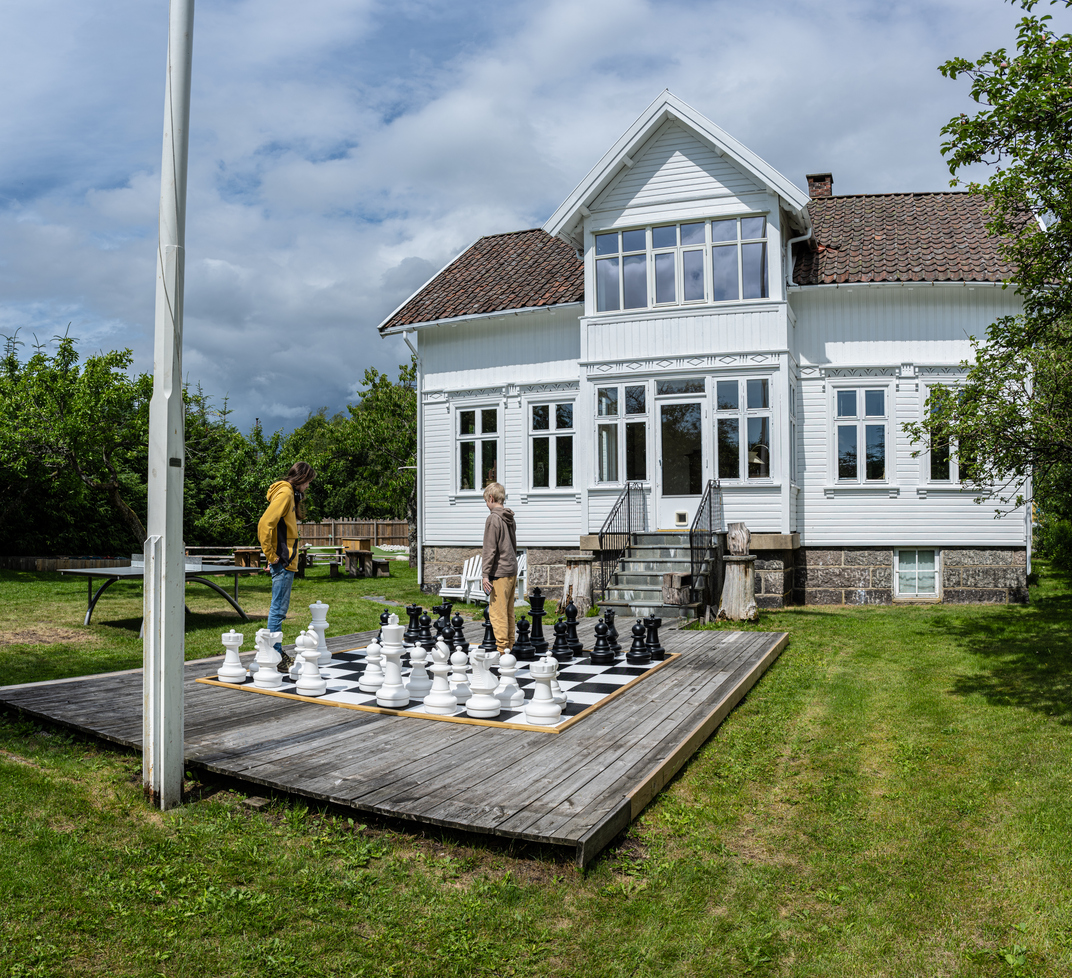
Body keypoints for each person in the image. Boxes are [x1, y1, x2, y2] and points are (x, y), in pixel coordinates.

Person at [257, 461, 316, 668]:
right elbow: (265, 523)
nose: (308, 486)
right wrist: (271, 555)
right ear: (301, 478)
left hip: (283, 561)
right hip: (283, 562)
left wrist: (272, 556)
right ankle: (275, 655)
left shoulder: (288, 493)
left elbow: (279, 529)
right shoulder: (286, 493)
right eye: (308, 481)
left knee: (279, 608)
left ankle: (274, 652)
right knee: (278, 610)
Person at [480, 482, 517, 653]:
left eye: (486, 501)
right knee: (508, 611)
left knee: (497, 613)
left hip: (499, 572)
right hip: (511, 569)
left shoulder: (493, 518)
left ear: (491, 498)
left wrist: (485, 574)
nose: (486, 505)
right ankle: (510, 645)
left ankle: (502, 650)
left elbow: (489, 549)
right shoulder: (509, 517)